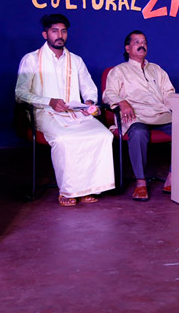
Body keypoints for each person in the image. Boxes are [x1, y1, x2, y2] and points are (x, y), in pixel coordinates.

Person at [15, 14, 115, 206]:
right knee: (64, 139)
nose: (60, 35)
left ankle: (88, 189)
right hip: (44, 112)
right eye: (54, 31)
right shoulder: (31, 59)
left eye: (63, 31)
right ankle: (68, 191)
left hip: (75, 112)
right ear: (45, 34)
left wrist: (89, 102)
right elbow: (20, 93)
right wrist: (49, 101)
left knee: (103, 135)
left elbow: (89, 88)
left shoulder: (76, 60)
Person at [103, 31, 175, 201]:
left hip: (160, 113)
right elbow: (108, 94)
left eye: (144, 42)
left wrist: (178, 108)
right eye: (136, 42)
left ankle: (172, 177)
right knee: (138, 132)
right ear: (127, 48)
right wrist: (121, 102)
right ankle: (141, 182)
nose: (142, 45)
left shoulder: (156, 69)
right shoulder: (119, 71)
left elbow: (169, 93)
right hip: (135, 115)